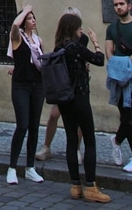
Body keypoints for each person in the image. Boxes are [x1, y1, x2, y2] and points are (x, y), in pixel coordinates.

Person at [52, 12, 110, 202]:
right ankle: (91, 186)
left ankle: (75, 186)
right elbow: (99, 60)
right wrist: (95, 42)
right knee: (90, 140)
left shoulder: (58, 47)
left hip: (64, 100)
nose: (81, 31)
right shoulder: (75, 47)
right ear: (73, 29)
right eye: (79, 28)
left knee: (71, 140)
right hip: (79, 98)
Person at [36, 7, 83, 163]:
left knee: (78, 119)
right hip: (62, 83)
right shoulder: (61, 40)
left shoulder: (81, 38)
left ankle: (76, 148)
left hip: (77, 84)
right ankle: (46, 147)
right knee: (54, 115)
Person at [6, 4, 45, 185]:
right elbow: (14, 26)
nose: (33, 20)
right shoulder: (17, 37)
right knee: (22, 125)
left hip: (38, 85)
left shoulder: (38, 40)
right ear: (23, 22)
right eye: (29, 18)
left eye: (33, 17)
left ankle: (30, 167)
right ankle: (12, 168)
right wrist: (24, 11)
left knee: (34, 126)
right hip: (21, 86)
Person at [105, 0, 132, 169]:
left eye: (121, 4)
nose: (119, 7)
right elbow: (109, 52)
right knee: (127, 117)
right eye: (115, 5)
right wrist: (121, 66)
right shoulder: (112, 28)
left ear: (129, 6)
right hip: (120, 80)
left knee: (129, 118)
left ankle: (116, 140)